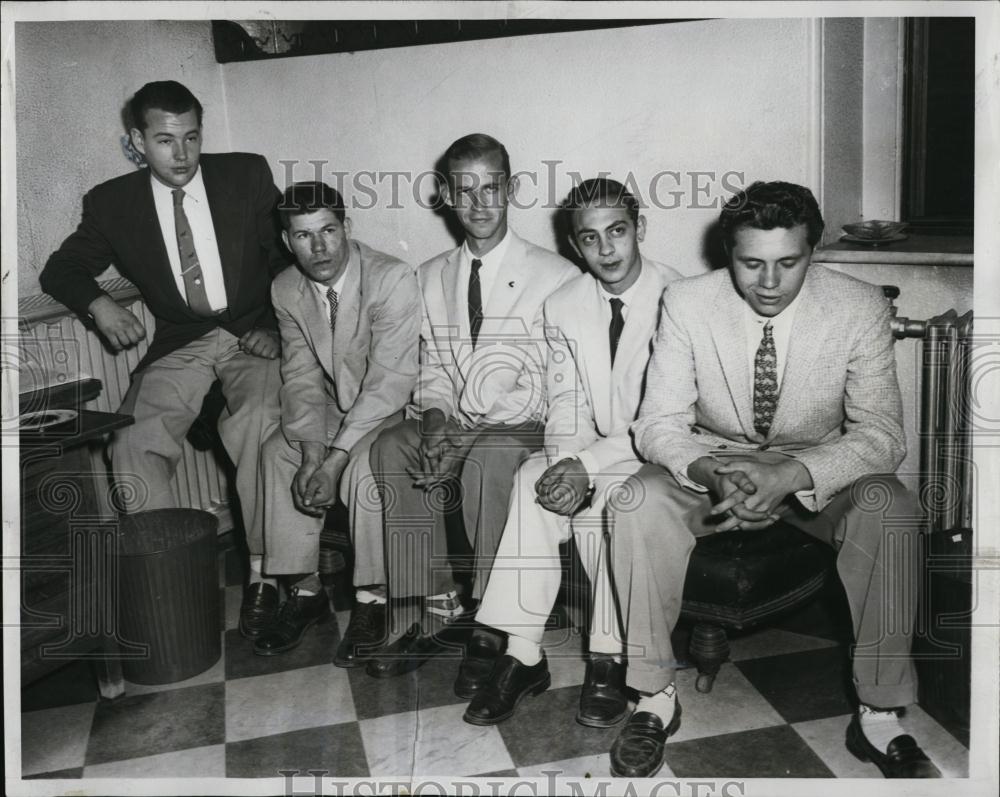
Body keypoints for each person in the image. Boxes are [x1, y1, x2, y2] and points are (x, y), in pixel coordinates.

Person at [604, 180, 940, 779]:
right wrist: (712, 472)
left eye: (789, 263)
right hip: (717, 466)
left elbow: (883, 436)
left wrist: (793, 474)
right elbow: (657, 424)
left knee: (891, 507)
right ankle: (654, 696)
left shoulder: (859, 306)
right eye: (750, 263)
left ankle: (879, 715)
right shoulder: (686, 301)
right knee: (634, 499)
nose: (768, 283)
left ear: (814, 253)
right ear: (727, 253)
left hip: (817, 473)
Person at [39, 80, 289, 634]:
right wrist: (100, 305)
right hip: (182, 340)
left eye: (192, 138)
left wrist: (273, 327)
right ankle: (167, 585)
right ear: (136, 142)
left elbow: (285, 258)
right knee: (131, 441)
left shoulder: (246, 175)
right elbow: (60, 271)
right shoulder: (112, 203)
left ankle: (265, 577)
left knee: (257, 425)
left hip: (253, 332)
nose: (182, 155)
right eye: (165, 141)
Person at [459, 178, 682, 728]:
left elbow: (661, 420)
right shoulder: (563, 305)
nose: (606, 250)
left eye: (618, 232)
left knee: (610, 498)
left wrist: (587, 468)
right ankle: (524, 652)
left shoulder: (680, 298)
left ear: (640, 230)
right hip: (593, 449)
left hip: (661, 452)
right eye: (590, 238)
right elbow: (567, 403)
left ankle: (606, 657)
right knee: (536, 478)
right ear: (574, 245)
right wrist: (565, 465)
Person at [365, 133, 577, 678]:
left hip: (523, 424)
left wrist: (462, 438)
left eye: (491, 189)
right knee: (393, 444)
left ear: (512, 190)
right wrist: (435, 419)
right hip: (456, 419)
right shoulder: (431, 275)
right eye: (465, 191)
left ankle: (492, 619)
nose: (479, 205)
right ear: (446, 196)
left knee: (492, 458)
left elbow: (542, 383)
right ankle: (431, 605)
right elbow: (432, 366)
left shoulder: (556, 275)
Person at [252, 182, 421, 660]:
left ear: (347, 228)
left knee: (366, 467)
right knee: (276, 452)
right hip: (332, 409)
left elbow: (389, 382)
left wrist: (334, 460)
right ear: (288, 242)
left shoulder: (392, 277)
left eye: (328, 230)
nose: (319, 247)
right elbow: (300, 376)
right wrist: (310, 453)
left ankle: (373, 600)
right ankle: (306, 592)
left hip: (389, 411)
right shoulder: (285, 287)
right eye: (304, 236)